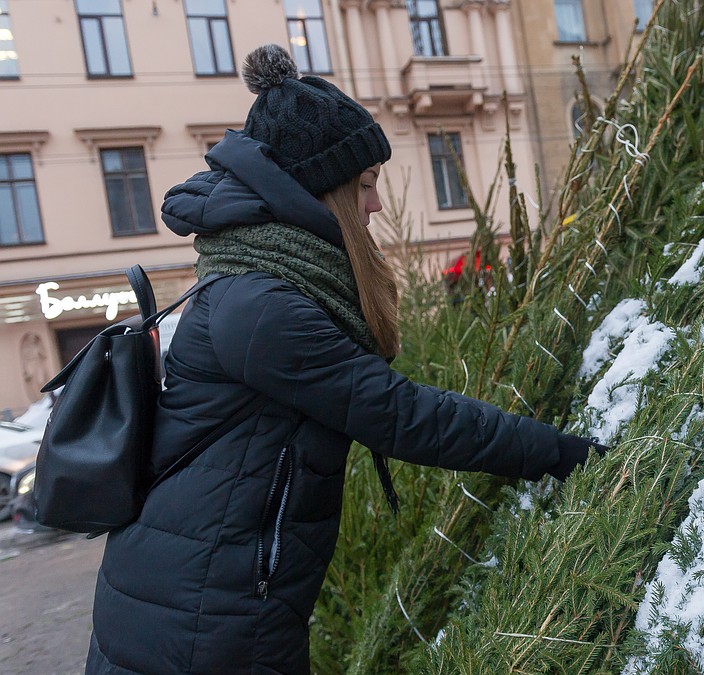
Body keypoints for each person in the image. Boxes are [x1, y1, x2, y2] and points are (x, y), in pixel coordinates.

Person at [85, 44, 604, 674]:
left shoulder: (260, 276)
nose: (377, 205)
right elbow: (405, 416)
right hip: (199, 620)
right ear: (321, 190)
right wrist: (565, 455)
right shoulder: (262, 305)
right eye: (365, 185)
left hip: (200, 598)